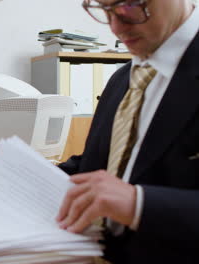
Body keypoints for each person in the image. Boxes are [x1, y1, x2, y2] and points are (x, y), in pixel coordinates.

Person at [56, 0, 199, 263]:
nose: (115, 27)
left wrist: (139, 204)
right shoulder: (121, 79)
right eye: (105, 9)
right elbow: (96, 167)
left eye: (131, 5)